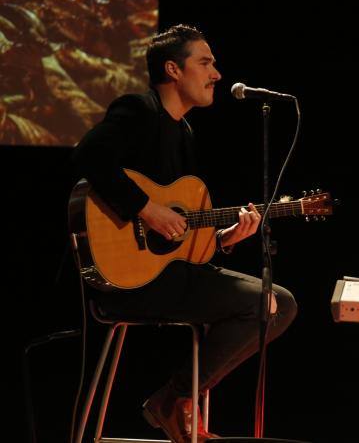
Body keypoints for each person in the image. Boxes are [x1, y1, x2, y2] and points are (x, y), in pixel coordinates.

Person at [72, 24, 297, 443]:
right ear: (173, 69)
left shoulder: (184, 131)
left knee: (278, 303)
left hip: (168, 274)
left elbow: (181, 233)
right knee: (266, 304)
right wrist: (146, 208)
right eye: (206, 62)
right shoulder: (139, 111)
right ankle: (175, 399)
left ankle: (176, 399)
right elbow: (89, 154)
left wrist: (225, 238)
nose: (217, 73)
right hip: (128, 281)